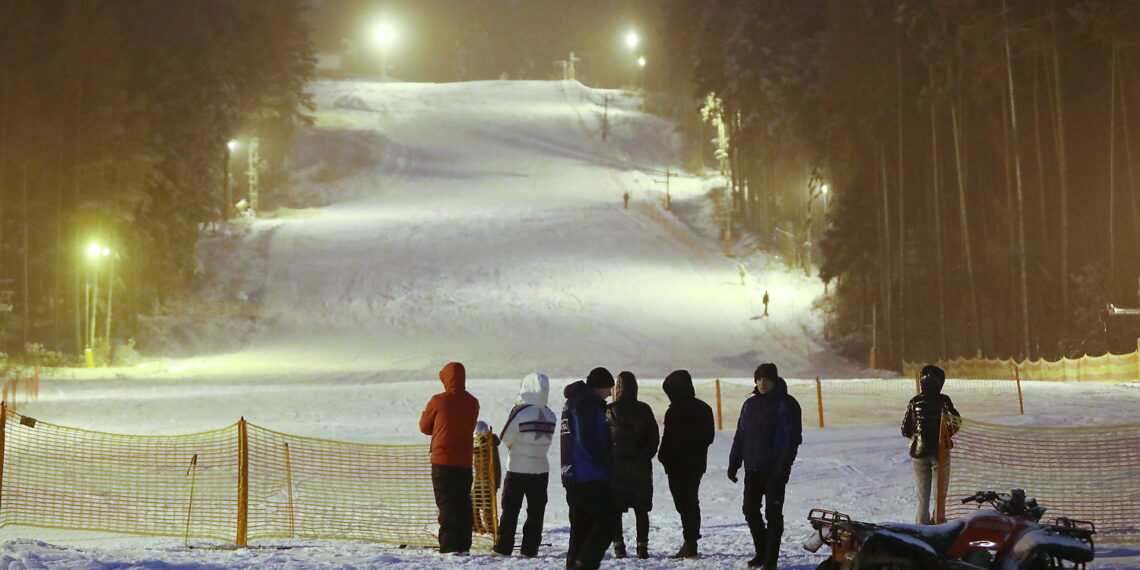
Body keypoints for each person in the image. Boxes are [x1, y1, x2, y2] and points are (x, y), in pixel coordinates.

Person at [728, 362, 802, 570]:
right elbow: (741, 435)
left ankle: (771, 561)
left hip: (775, 470)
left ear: (774, 380)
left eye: (766, 379)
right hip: (753, 468)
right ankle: (761, 553)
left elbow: (792, 439)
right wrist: (735, 462)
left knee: (773, 515)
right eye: (758, 379)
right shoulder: (750, 405)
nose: (761, 383)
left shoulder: (787, 404)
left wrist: (783, 467)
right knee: (749, 510)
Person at [418, 362, 480, 555]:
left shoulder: (439, 400)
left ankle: (449, 546)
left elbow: (424, 426)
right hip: (464, 461)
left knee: (446, 503)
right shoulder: (473, 402)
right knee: (463, 502)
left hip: (442, 459)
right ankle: (463, 545)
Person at [493, 373, 557, 557]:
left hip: (518, 468)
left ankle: (503, 547)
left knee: (511, 509)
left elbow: (505, 438)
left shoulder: (520, 411)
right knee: (536, 511)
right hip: (541, 469)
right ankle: (530, 549)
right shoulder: (550, 414)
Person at [561, 367, 617, 570]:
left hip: (573, 473)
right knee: (608, 520)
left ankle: (573, 564)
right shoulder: (587, 403)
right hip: (589, 473)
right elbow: (589, 439)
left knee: (581, 527)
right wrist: (606, 461)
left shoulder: (573, 401)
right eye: (608, 388)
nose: (610, 394)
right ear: (599, 387)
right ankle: (585, 565)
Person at [657, 369, 715, 559]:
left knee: (684, 503)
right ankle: (691, 540)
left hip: (678, 465)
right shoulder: (704, 408)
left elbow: (669, 439)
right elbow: (708, 437)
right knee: (690, 501)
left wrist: (665, 456)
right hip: (696, 464)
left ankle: (690, 542)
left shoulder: (674, 411)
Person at [605, 371, 659, 559]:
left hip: (615, 468)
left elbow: (602, 440)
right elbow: (654, 439)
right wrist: (643, 457)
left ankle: (619, 547)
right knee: (641, 509)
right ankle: (642, 548)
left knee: (614, 509)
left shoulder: (608, 410)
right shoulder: (644, 409)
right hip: (640, 468)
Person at [901, 364, 961, 525]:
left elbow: (905, 429)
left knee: (922, 494)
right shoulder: (944, 400)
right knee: (940, 493)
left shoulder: (914, 401)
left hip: (919, 452)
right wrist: (946, 435)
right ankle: (939, 523)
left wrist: (919, 437)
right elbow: (956, 421)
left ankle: (921, 524)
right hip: (940, 451)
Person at [472, 420, 502, 535]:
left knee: (486, 506)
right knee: (473, 502)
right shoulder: (486, 443)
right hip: (480, 479)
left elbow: (480, 451)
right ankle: (476, 525)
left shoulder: (489, 444)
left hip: (489, 479)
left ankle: (491, 527)